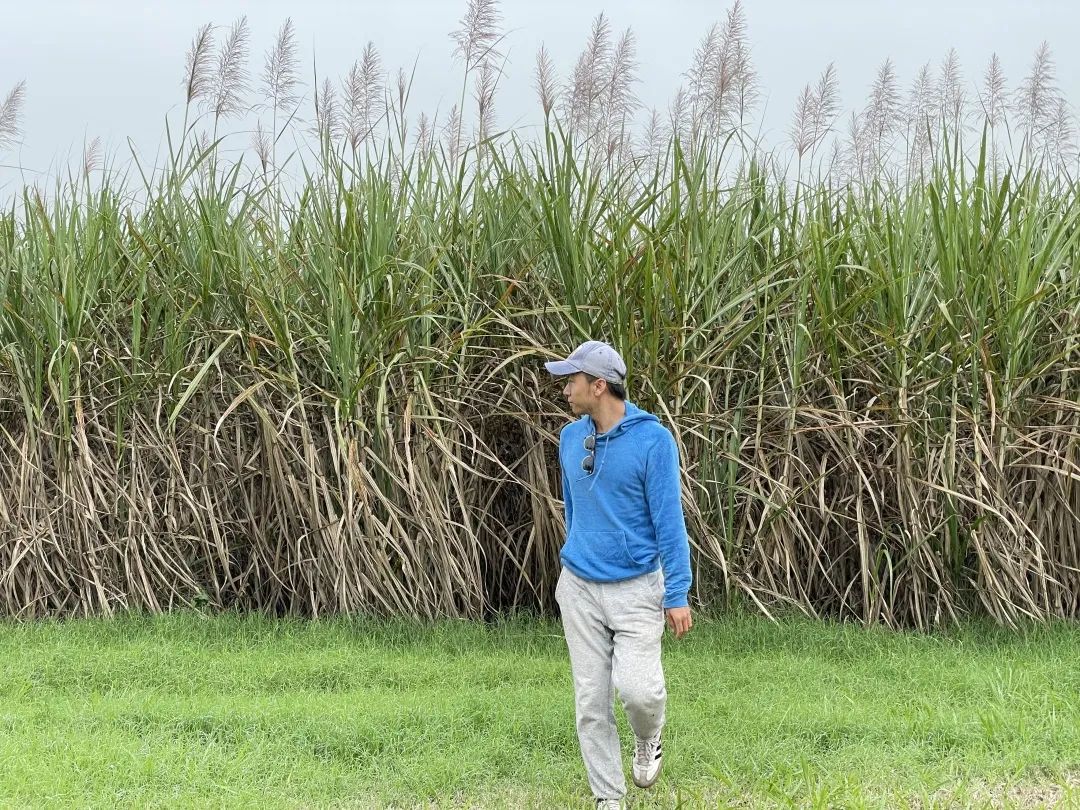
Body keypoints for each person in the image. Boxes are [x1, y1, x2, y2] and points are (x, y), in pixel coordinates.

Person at [544, 339, 693, 810]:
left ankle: (648, 737)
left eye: (572, 380)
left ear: (599, 385)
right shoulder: (570, 440)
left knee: (638, 691)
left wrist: (678, 592)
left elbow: (670, 521)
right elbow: (575, 509)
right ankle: (608, 798)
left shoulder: (653, 441)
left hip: (636, 589)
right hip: (580, 588)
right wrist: (578, 559)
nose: (565, 389)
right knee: (591, 703)